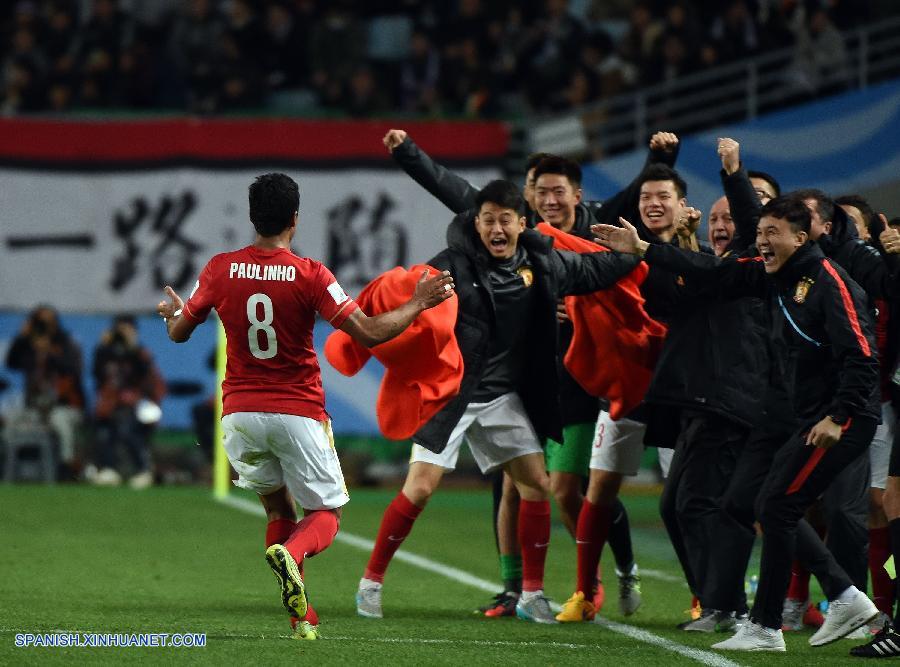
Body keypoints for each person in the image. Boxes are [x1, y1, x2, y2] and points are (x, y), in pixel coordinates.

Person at [155, 172, 455, 640]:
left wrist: (174, 314)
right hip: (297, 411)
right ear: (295, 219)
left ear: (254, 217)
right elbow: (371, 332)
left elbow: (178, 332)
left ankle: (301, 618)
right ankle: (292, 557)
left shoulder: (219, 268)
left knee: (279, 512)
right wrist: (418, 303)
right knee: (327, 516)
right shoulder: (311, 274)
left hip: (239, 415)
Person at [595, 196, 881, 652]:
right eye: (761, 232)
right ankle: (834, 599)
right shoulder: (774, 277)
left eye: (772, 233)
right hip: (797, 416)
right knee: (755, 502)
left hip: (841, 418)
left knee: (781, 508)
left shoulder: (827, 281)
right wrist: (645, 248)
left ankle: (786, 619)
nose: (762, 242)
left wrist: (838, 415)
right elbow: (714, 271)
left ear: (801, 238)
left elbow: (863, 355)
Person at [355, 180, 640, 624]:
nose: (497, 227)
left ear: (522, 223)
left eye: (505, 219)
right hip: (452, 392)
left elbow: (593, 273)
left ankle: (530, 594)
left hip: (503, 397)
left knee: (536, 485)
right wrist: (412, 303)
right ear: (477, 223)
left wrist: (633, 253)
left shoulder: (543, 264)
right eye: (487, 219)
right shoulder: (453, 265)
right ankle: (370, 584)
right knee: (421, 487)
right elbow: (410, 297)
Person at [5, 305, 85, 480]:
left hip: (63, 406)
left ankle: (67, 467)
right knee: (9, 422)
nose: (44, 327)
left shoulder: (65, 343)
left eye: (48, 322)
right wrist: (22, 337)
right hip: (33, 407)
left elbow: (72, 370)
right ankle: (7, 468)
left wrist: (49, 352)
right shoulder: (28, 346)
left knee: (60, 421)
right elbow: (11, 362)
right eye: (40, 322)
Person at [90, 314, 166, 489]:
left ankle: (143, 470)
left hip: (140, 405)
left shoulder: (140, 353)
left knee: (127, 425)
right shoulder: (104, 353)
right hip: (111, 405)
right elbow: (97, 376)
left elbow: (145, 379)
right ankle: (108, 468)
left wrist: (132, 348)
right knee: (106, 428)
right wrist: (103, 346)